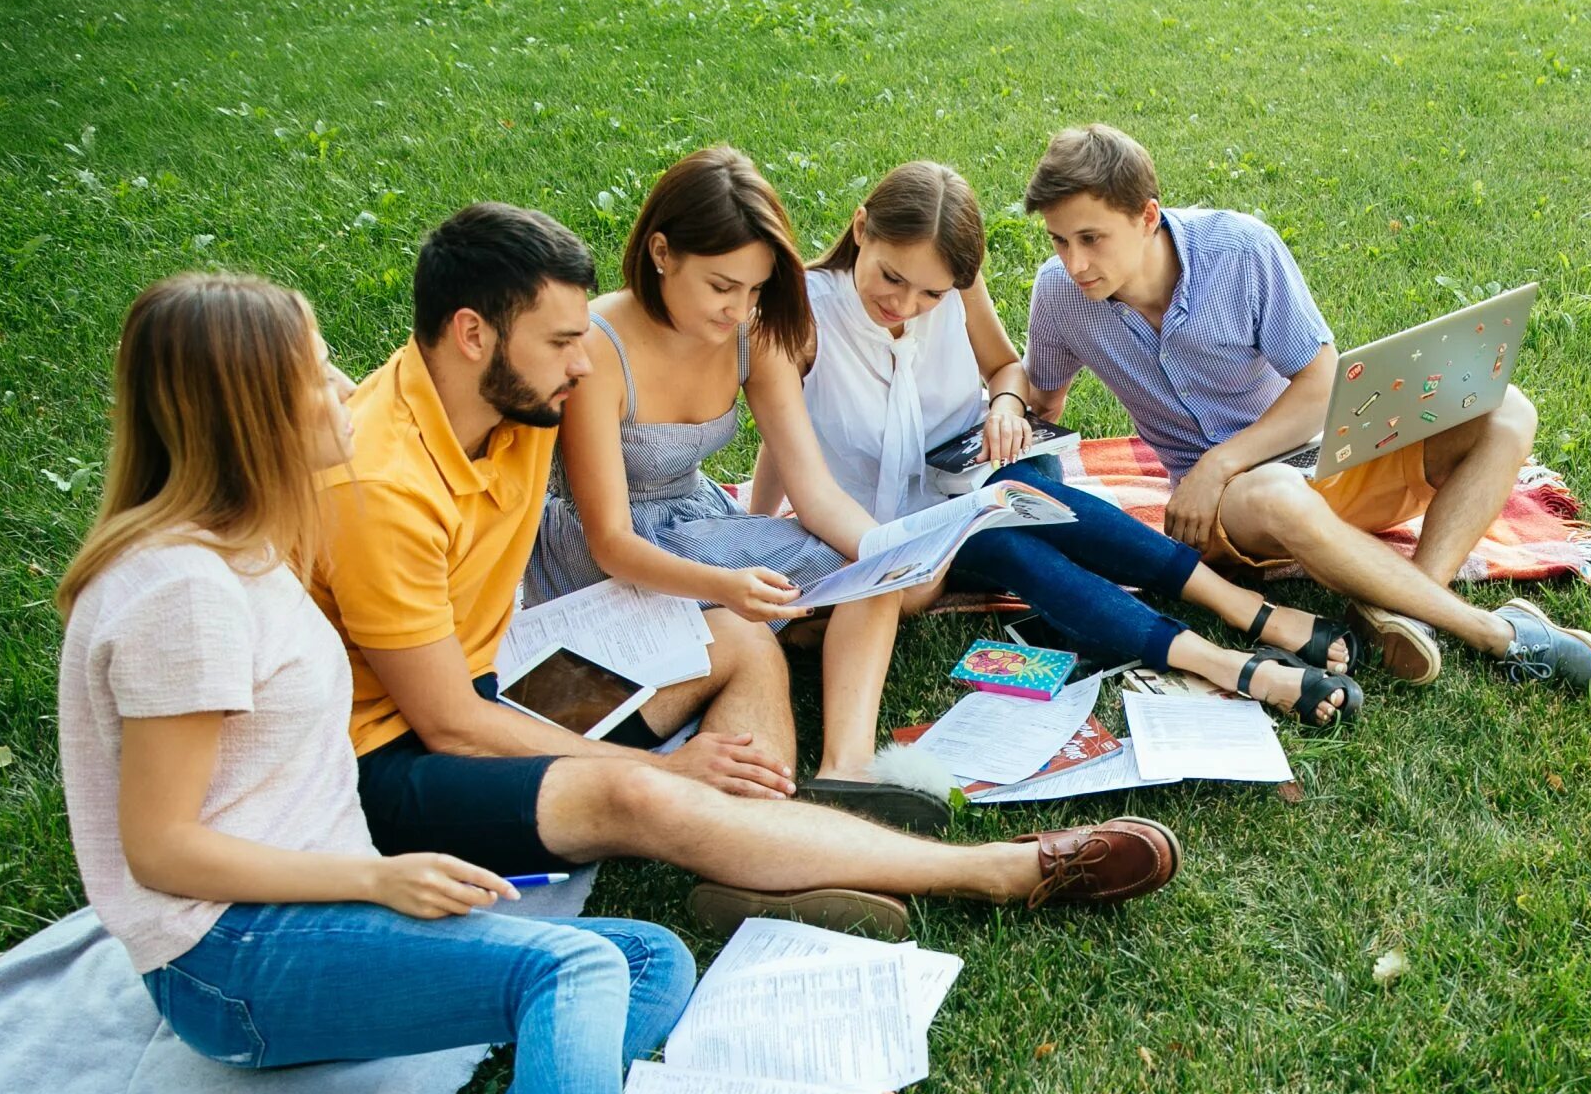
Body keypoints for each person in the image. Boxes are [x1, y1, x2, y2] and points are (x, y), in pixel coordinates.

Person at [54, 271, 745, 1094]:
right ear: (247, 406)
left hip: (308, 907)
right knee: (579, 963)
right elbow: (161, 849)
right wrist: (371, 874)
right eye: (314, 369)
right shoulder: (184, 598)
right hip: (232, 963)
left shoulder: (248, 550)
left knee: (648, 958)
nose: (340, 385)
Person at [310, 200, 1180, 943]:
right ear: (471, 336)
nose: (583, 362)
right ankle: (997, 871)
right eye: (561, 342)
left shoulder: (511, 398)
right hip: (400, 757)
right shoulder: (383, 488)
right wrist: (669, 771)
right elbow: (452, 722)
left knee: (736, 638)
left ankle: (766, 865)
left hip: (517, 669)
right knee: (635, 797)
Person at [1021, 124, 1591, 695]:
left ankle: (1411, 612)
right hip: (1241, 512)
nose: (1075, 263)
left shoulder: (1239, 249)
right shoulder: (1059, 296)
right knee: (1277, 491)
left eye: (1091, 238)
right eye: (1059, 240)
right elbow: (1042, 401)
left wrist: (1218, 463)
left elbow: (1318, 384)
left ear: (1147, 216)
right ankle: (1495, 632)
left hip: (1320, 458)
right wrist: (1005, 404)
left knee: (1505, 408)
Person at [766, 161, 1363, 728]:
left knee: (1017, 497)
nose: (905, 304)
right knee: (1004, 536)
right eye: (893, 278)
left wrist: (1005, 405)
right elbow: (782, 441)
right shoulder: (801, 315)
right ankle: (1229, 654)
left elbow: (1005, 368)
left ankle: (1235, 614)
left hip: (983, 474)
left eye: (930, 294)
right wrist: (752, 524)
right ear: (861, 227)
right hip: (891, 525)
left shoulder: (955, 287)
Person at [523, 146, 939, 830]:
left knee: (878, 574)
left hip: (696, 518)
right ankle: (780, 641)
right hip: (600, 554)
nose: (739, 308)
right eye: (722, 286)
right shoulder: (597, 345)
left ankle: (846, 769)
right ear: (661, 251)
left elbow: (810, 484)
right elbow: (610, 540)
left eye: (754, 288)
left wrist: (892, 548)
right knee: (771, 604)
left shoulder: (754, 329)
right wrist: (724, 588)